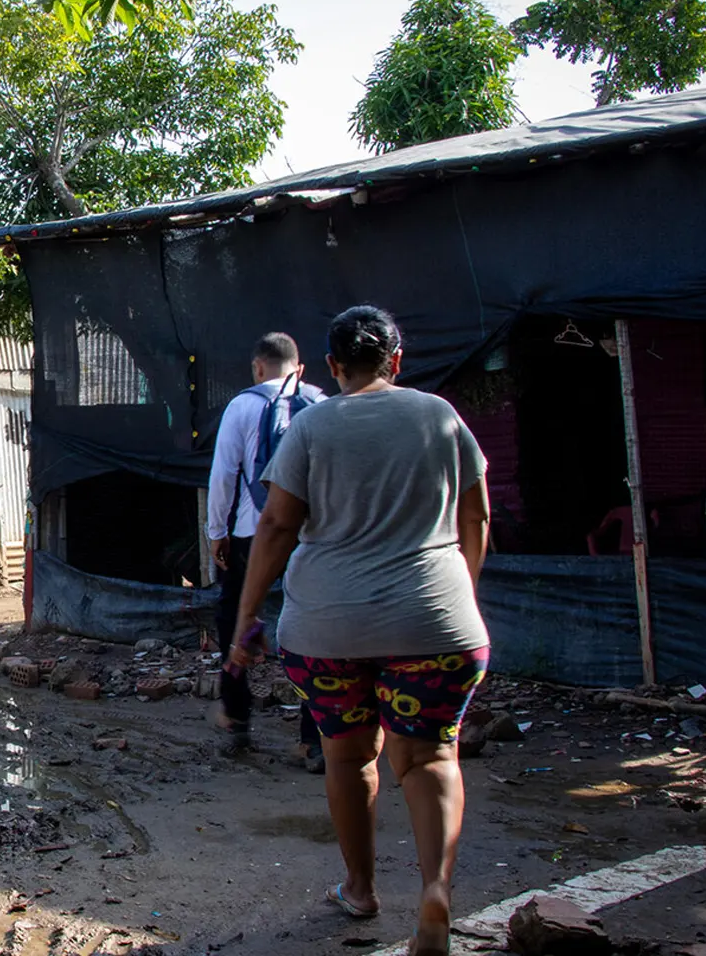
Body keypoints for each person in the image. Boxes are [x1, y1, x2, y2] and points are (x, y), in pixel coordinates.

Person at [229, 306, 491, 956]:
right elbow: (477, 516)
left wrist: (245, 620)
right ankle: (434, 891)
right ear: (397, 362)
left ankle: (360, 888)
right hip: (435, 620)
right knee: (431, 755)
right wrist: (461, 596)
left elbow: (276, 527)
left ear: (336, 368)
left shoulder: (312, 426)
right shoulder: (439, 416)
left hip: (328, 632)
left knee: (349, 755)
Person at [205, 332, 326, 766]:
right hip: (309, 534)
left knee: (235, 613)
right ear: (301, 368)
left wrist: (215, 532)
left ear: (258, 368)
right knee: (313, 625)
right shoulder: (320, 402)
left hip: (250, 532)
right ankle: (314, 738)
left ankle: (237, 714)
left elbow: (223, 475)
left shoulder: (242, 405)